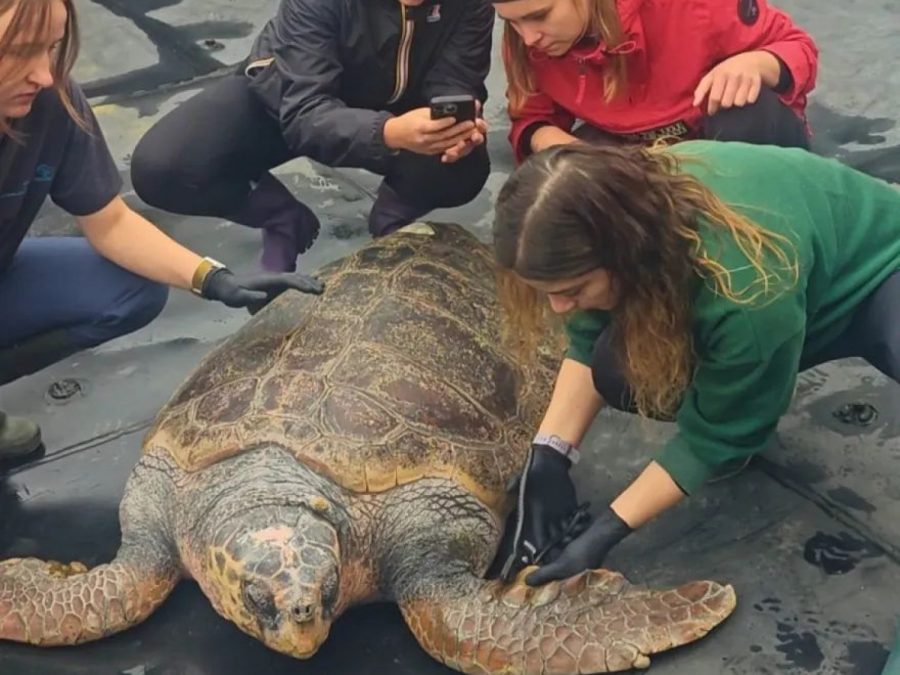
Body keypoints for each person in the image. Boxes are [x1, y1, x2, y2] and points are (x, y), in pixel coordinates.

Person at [491, 139, 899, 585]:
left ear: (625, 254)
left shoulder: (745, 291)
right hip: (796, 284)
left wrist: (607, 529)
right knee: (620, 370)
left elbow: (720, 435)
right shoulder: (620, 206)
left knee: (738, 399)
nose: (557, 307)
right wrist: (549, 454)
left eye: (572, 290)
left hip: (881, 268)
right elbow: (589, 339)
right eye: (545, 291)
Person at [0, 0, 323, 461]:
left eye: (51, 48)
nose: (44, 75)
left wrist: (214, 279)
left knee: (130, 288)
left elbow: (109, 222)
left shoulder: (52, 104)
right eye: (18, 52)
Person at [129, 0, 495, 274]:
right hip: (288, 101)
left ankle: (392, 223)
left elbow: (454, 84)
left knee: (462, 165)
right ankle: (282, 218)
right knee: (165, 166)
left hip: (402, 111)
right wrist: (386, 133)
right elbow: (306, 112)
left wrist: (456, 126)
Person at [492, 0, 818, 163]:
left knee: (745, 110)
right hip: (632, 153)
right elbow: (532, 118)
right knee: (551, 170)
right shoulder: (526, 42)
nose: (529, 37)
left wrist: (755, 63)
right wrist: (552, 143)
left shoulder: (692, 6)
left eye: (540, 16)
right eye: (511, 22)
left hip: (720, 136)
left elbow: (799, 48)